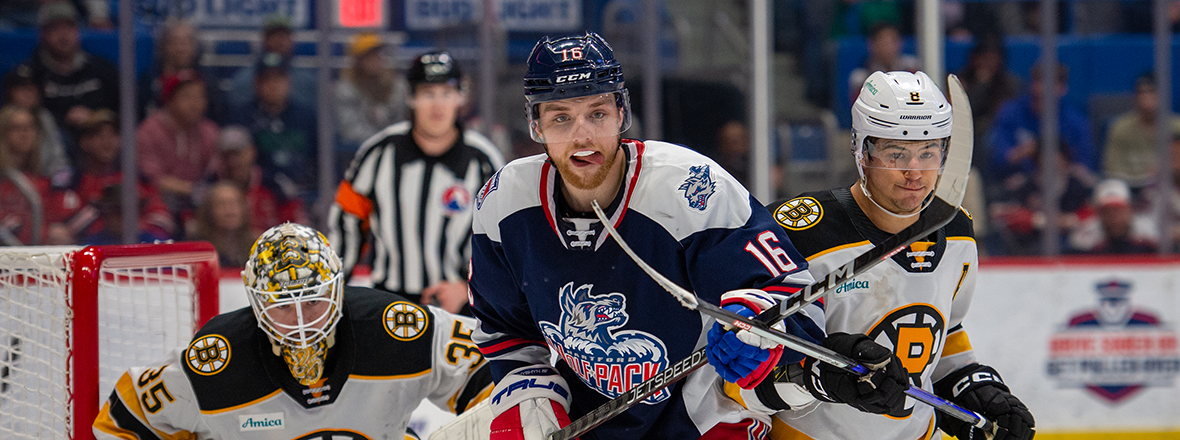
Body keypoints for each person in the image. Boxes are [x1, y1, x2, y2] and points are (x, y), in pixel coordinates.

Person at [467, 32, 823, 440]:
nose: (582, 136)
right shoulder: (504, 203)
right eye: (561, 117)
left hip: (706, 425)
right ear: (536, 125)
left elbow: (792, 293)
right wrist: (528, 399)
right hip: (590, 426)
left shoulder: (691, 187)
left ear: (622, 112)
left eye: (597, 113)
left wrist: (760, 325)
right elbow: (505, 331)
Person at [760, 71, 1035, 440]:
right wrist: (818, 377)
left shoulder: (957, 233)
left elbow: (946, 330)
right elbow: (746, 365)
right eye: (896, 153)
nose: (915, 172)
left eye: (928, 152)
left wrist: (970, 386)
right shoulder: (798, 231)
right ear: (861, 150)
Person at [92, 222, 493, 438]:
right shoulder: (216, 363)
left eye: (313, 301)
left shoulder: (397, 330)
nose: (303, 322)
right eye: (284, 306)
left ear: (337, 290)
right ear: (257, 302)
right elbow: (122, 420)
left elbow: (495, 376)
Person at [328, 50, 504, 313]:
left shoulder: (484, 160)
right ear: (411, 97)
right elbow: (347, 227)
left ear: (460, 97)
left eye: (446, 93)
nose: (438, 105)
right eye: (428, 94)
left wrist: (470, 288)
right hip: (389, 304)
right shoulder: (377, 153)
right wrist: (331, 293)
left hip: (462, 307)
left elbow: (506, 240)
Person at [61, 109, 175, 243]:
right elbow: (66, 227)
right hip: (92, 248)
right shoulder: (73, 180)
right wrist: (109, 224)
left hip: (137, 245)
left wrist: (138, 225)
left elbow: (164, 220)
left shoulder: (134, 178)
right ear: (85, 142)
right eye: (99, 135)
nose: (107, 141)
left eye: (113, 134)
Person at [17, 2, 119, 135]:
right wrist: (63, 119)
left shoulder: (102, 69)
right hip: (49, 144)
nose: (63, 34)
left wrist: (96, 117)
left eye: (69, 26)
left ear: (78, 31)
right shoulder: (29, 75)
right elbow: (19, 119)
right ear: (42, 33)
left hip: (98, 141)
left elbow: (128, 111)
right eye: (55, 27)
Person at [229, 52, 319, 197]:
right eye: (267, 79)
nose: (273, 85)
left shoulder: (306, 116)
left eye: (279, 78)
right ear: (257, 83)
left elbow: (322, 157)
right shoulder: (242, 116)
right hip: (258, 193)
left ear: (289, 81)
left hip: (304, 191)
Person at [136, 69, 220, 214]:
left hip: (198, 202)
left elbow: (215, 172)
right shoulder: (149, 130)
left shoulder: (209, 131)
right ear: (169, 101)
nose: (195, 103)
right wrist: (192, 190)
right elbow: (152, 178)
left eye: (199, 97)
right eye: (187, 96)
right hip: (158, 201)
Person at [196, 125, 307, 233]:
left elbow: (296, 226)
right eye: (227, 155)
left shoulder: (275, 185)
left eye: (237, 154)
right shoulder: (208, 188)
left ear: (252, 152)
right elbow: (195, 228)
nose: (233, 161)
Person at [0, 105, 70, 245]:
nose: (25, 133)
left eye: (30, 127)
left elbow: (56, 219)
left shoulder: (42, 180)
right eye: (16, 128)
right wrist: (45, 233)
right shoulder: (3, 181)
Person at [1103, 74, 1180, 189]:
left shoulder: (1177, 127)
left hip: (1170, 189)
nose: (1147, 97)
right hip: (1129, 191)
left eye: (1152, 91)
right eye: (1142, 92)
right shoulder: (1120, 128)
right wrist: (1145, 177)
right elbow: (1112, 171)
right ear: (1135, 97)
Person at [335, 31, 408, 147]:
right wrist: (381, 141)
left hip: (396, 147)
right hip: (359, 150)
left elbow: (403, 122)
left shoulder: (398, 85)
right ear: (358, 61)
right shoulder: (346, 90)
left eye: (377, 53)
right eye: (368, 55)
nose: (375, 58)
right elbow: (349, 130)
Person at [2, 63, 70, 178]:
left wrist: (55, 185)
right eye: (22, 87)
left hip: (40, 182)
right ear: (10, 92)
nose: (28, 92)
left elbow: (59, 161)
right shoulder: (2, 118)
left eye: (33, 87)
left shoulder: (45, 117)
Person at [1069, 178, 1158, 254]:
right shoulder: (1085, 235)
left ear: (1130, 210)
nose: (1113, 216)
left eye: (1118, 210)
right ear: (1098, 213)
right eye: (1107, 211)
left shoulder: (1148, 231)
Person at [847, 22, 921, 106]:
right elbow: (860, 107)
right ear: (872, 44)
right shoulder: (861, 77)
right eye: (883, 42)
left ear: (900, 43)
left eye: (892, 41)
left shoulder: (913, 68)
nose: (888, 47)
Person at [187, 181, 256, 267]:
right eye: (221, 203)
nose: (229, 210)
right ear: (209, 211)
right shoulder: (198, 249)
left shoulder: (256, 246)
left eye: (235, 203)